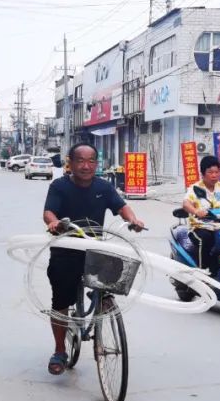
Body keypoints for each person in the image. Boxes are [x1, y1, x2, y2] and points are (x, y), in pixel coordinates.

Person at [43, 143, 145, 375]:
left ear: (97, 164)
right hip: (66, 249)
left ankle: (99, 297)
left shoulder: (103, 187)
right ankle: (60, 350)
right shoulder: (59, 186)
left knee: (112, 279)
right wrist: (53, 222)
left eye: (91, 161)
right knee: (61, 302)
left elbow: (122, 207)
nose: (86, 166)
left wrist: (133, 220)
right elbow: (49, 212)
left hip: (93, 249)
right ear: (70, 162)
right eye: (80, 160)